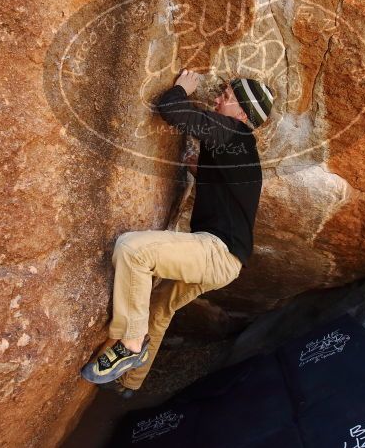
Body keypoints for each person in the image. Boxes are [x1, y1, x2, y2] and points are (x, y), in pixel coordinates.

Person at [79, 68, 276, 392]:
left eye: (224, 97)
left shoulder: (233, 133)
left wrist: (181, 89)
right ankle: (130, 383)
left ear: (241, 112)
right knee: (159, 307)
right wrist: (193, 167)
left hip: (215, 252)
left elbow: (173, 111)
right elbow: (224, 186)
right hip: (226, 261)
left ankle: (129, 345)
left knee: (133, 250)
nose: (216, 100)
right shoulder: (239, 149)